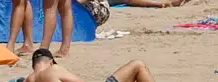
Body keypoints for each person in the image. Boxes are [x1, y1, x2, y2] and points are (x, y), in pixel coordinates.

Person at [27, 48, 156, 82]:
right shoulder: (53, 70)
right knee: (138, 65)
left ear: (34, 65)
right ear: (50, 61)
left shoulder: (28, 79)